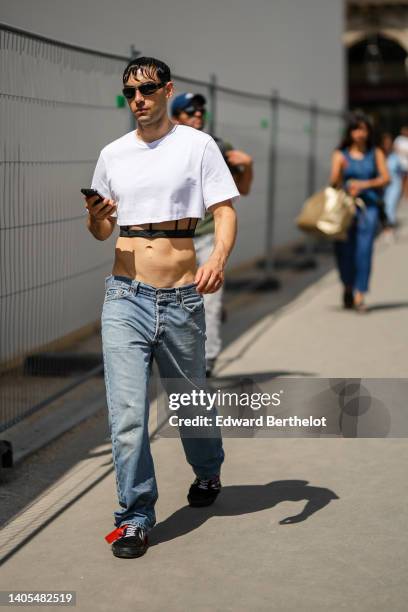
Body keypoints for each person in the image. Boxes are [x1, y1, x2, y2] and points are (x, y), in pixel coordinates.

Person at [84, 57, 239, 559]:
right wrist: (95, 217)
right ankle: (135, 516)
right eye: (129, 92)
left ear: (168, 89)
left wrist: (217, 257)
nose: (138, 99)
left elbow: (223, 210)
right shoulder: (112, 154)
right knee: (128, 415)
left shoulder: (197, 146)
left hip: (180, 297)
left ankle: (208, 467)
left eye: (148, 89)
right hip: (125, 296)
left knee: (188, 404)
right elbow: (103, 230)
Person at [171, 92, 253, 375]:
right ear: (176, 117)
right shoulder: (165, 148)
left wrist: (247, 165)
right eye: (190, 111)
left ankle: (207, 360)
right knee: (177, 301)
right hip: (172, 239)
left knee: (210, 299)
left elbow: (243, 189)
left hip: (206, 235)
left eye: (201, 111)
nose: (197, 115)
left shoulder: (218, 146)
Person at [329, 112, 390, 312]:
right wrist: (340, 172)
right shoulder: (340, 154)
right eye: (356, 129)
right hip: (346, 209)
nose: (360, 133)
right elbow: (333, 183)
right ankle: (348, 285)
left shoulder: (376, 153)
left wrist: (364, 184)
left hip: (369, 208)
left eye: (363, 129)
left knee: (364, 250)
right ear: (350, 132)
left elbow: (385, 178)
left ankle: (360, 294)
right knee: (344, 250)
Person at [380, 132, 403, 240]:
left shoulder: (395, 157)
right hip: (382, 185)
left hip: (394, 184)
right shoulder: (379, 155)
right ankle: (386, 226)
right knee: (384, 205)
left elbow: (400, 171)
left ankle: (389, 228)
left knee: (390, 205)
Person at [394, 125, 408, 198]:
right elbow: (395, 148)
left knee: (406, 179)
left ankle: (405, 193)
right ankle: (401, 193)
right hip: (399, 163)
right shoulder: (399, 139)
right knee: (401, 179)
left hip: (406, 163)